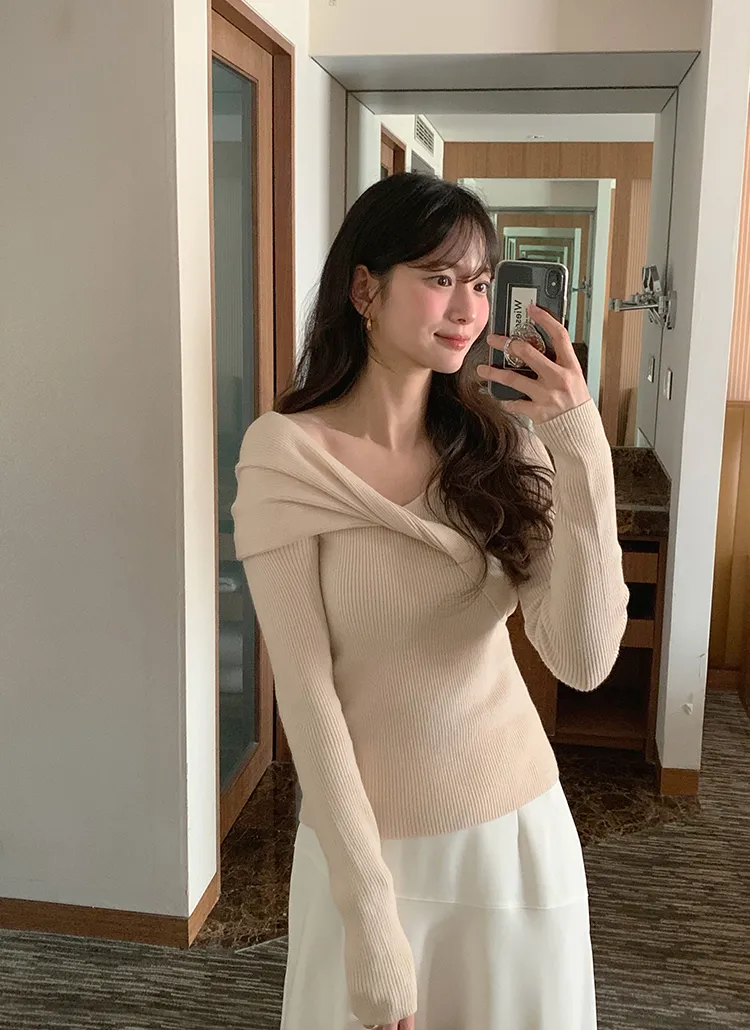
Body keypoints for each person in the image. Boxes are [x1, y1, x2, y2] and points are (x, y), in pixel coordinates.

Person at [231, 173, 628, 1030]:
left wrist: (579, 442)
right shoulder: (286, 458)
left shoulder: (504, 450)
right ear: (365, 289)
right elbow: (308, 699)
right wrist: (371, 921)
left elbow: (585, 660)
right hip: (365, 852)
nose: (468, 309)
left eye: (480, 284)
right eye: (440, 278)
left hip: (514, 837)